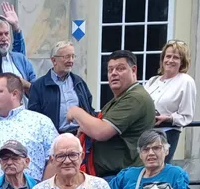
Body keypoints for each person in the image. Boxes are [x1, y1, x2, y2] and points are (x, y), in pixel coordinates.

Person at [66, 50, 156, 178]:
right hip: (114, 176)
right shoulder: (122, 97)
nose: (114, 73)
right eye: (110, 70)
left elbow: (101, 131)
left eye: (120, 69)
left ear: (134, 70)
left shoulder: (134, 98)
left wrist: (76, 111)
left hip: (123, 177)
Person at [144, 40, 197, 163]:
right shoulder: (153, 81)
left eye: (176, 57)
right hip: (145, 133)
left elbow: (187, 116)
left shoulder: (186, 81)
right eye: (168, 56)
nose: (170, 60)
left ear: (182, 62)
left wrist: (168, 118)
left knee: (158, 172)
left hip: (166, 134)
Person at [28, 41, 95, 134]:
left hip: (80, 137)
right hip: (54, 138)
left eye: (73, 56)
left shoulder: (79, 82)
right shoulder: (38, 86)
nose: (71, 60)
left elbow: (89, 109)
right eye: (67, 57)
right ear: (53, 60)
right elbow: (34, 118)